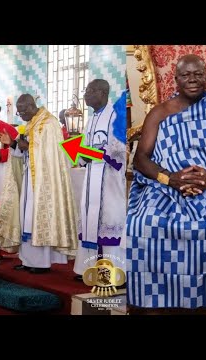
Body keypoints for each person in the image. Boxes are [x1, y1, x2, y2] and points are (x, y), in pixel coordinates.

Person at [127, 54, 206, 313]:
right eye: (186, 75)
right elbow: (141, 158)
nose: (192, 79)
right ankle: (155, 302)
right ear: (176, 79)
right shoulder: (160, 112)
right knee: (144, 222)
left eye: (198, 74)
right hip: (166, 185)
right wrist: (169, 178)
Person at [0, 94, 78, 273]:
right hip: (29, 178)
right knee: (26, 218)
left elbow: (47, 151)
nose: (20, 114)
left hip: (44, 182)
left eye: (22, 110)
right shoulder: (32, 122)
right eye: (19, 111)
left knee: (38, 218)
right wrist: (13, 144)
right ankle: (27, 259)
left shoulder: (49, 123)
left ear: (31, 106)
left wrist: (21, 144)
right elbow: (24, 150)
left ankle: (40, 263)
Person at [73, 80, 126, 281]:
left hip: (109, 180)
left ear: (102, 93)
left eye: (89, 91)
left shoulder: (115, 116)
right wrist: (80, 153)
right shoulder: (92, 118)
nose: (85, 94)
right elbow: (85, 147)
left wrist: (91, 153)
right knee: (89, 220)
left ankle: (111, 273)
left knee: (109, 222)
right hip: (91, 177)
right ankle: (87, 269)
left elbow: (119, 151)